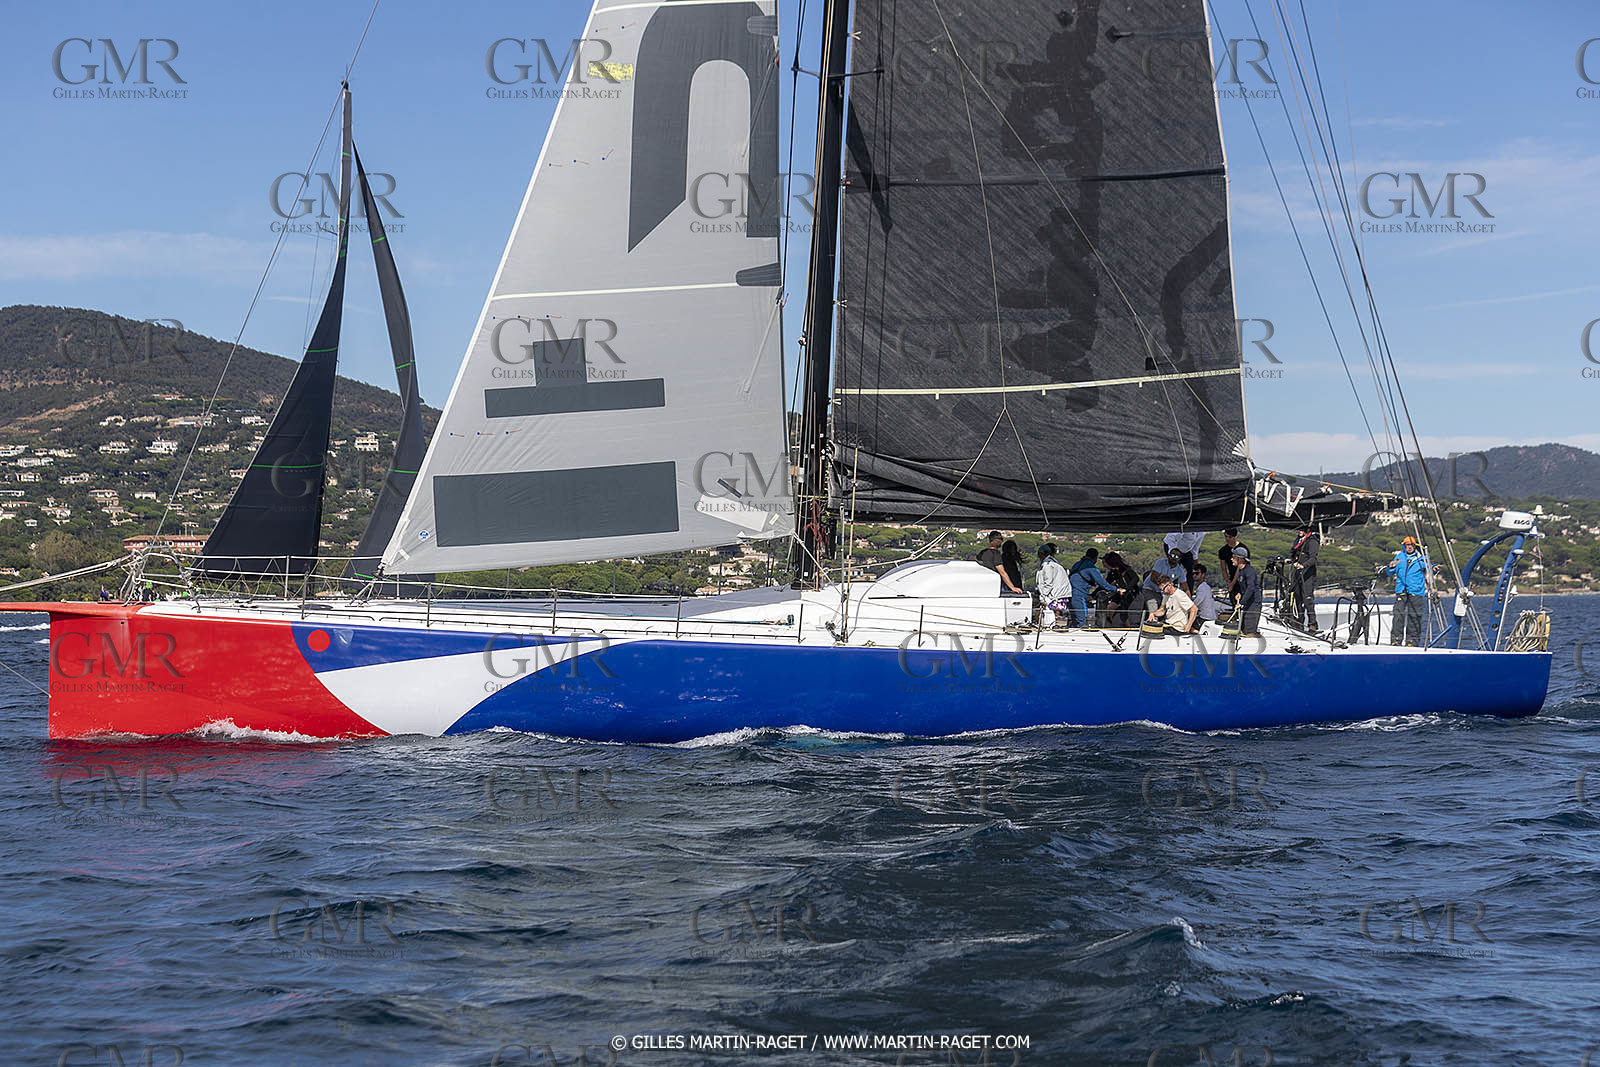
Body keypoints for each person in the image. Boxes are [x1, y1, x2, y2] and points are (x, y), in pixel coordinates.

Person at [1382, 535, 1431, 646]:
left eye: (1411, 545)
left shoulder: (1420, 558)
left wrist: (1434, 567)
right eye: (1407, 545)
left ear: (1415, 546)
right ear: (1404, 546)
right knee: (1398, 615)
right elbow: (1390, 572)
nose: (1409, 547)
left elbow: (1430, 567)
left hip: (1416, 591)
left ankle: (1412, 641)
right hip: (1401, 590)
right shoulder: (1399, 557)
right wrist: (1389, 567)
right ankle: (1396, 640)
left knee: (1414, 616)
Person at [1067, 547, 1118, 628]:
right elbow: (1102, 584)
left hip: (1070, 595)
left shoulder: (1077, 564)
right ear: (1095, 558)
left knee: (1074, 620)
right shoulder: (1091, 568)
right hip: (1079, 596)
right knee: (1082, 622)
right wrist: (1116, 589)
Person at [1289, 522, 1320, 632]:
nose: (1299, 532)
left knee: (1307, 599)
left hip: (1307, 574)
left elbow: (1313, 559)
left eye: (1302, 530)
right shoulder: (1297, 541)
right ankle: (1299, 622)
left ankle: (1312, 624)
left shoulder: (1312, 541)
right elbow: (1294, 554)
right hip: (1297, 573)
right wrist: (1291, 560)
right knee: (1297, 598)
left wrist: (1303, 565)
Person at [1100, 552, 1141, 628]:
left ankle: (1131, 629)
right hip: (1122, 595)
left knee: (1128, 616)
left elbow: (1135, 579)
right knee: (1114, 611)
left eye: (1105, 562)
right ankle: (1114, 626)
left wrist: (1126, 589)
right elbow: (1105, 584)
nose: (1103, 564)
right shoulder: (1113, 573)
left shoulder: (1126, 570)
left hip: (1133, 595)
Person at [1035, 544, 1071, 627]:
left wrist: (1043, 596)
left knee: (1050, 612)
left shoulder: (1048, 565)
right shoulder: (1053, 563)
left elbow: (1048, 583)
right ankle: (1052, 626)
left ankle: (1050, 627)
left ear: (1042, 554)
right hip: (1058, 593)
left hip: (1055, 594)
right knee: (1052, 612)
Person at [1233, 546, 1262, 637]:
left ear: (1240, 559)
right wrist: (1239, 593)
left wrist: (1241, 603)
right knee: (1243, 629)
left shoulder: (1249, 571)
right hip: (1247, 604)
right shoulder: (1240, 571)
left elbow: (1251, 588)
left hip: (1253, 604)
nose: (1231, 559)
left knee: (1249, 631)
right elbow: (1243, 587)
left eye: (1233, 557)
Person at [1218, 528, 1248, 598]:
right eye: (1226, 536)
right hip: (1231, 579)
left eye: (1230, 537)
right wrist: (1228, 582)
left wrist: (1232, 583)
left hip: (1242, 579)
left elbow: (1241, 567)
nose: (1227, 539)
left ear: (1235, 537)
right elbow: (1223, 569)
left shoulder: (1243, 549)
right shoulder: (1223, 550)